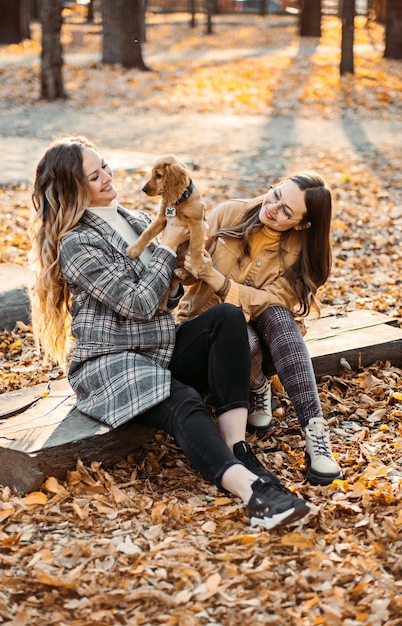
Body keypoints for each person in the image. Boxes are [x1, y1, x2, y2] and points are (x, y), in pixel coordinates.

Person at [29, 135, 310, 530]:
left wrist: (184, 263)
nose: (108, 177)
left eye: (105, 166)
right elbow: (138, 304)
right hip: (111, 363)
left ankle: (237, 448)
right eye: (95, 176)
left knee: (228, 317)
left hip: (157, 347)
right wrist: (166, 246)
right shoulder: (76, 243)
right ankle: (253, 493)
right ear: (73, 189)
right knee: (183, 400)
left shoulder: (136, 220)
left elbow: (166, 296)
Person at [175, 172, 343, 486]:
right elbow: (182, 272)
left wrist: (217, 279)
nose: (273, 208)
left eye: (286, 212)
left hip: (270, 344)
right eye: (276, 195)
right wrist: (191, 258)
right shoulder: (229, 213)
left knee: (276, 314)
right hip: (207, 335)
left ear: (302, 225)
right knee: (240, 330)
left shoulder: (303, 256)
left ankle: (316, 434)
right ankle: (258, 387)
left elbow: (267, 302)